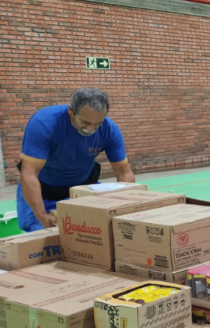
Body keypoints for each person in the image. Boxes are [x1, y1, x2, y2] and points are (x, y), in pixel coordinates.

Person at [16, 88, 135, 232]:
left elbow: (124, 173)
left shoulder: (109, 130)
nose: (90, 129)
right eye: (85, 122)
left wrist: (126, 207)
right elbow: (29, 174)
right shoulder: (44, 124)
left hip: (82, 189)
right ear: (71, 111)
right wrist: (42, 215)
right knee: (41, 236)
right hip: (43, 191)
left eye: (97, 124)